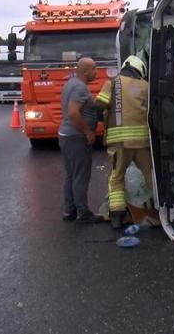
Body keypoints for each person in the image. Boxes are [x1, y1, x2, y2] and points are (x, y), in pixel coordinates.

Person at [95, 55, 153, 229]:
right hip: (142, 142)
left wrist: (106, 118)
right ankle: (162, 210)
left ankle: (117, 216)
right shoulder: (145, 86)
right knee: (151, 176)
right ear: (140, 70)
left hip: (118, 143)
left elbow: (99, 106)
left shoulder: (112, 83)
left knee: (116, 178)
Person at [59, 57, 100, 223]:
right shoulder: (80, 87)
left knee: (71, 174)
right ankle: (83, 213)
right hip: (76, 137)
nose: (96, 72)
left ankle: (69, 211)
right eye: (94, 69)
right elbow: (73, 112)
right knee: (80, 176)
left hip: (66, 135)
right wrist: (88, 132)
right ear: (85, 71)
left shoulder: (70, 83)